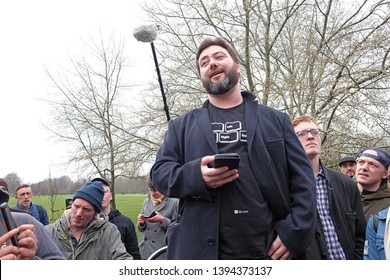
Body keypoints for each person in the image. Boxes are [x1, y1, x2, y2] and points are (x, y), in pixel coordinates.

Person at [150, 37, 316, 260]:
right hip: (199, 255)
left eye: (219, 56)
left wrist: (294, 233)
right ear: (201, 76)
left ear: (237, 65)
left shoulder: (277, 120)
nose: (212, 63)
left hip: (267, 251)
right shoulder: (181, 126)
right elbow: (160, 173)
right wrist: (196, 176)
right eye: (204, 62)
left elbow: (304, 181)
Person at [292, 115, 366, 259]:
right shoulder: (283, 186)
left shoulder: (347, 184)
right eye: (301, 133)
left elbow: (360, 234)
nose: (310, 136)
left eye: (314, 132)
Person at [45, 181, 132, 260]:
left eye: (86, 209)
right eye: (76, 206)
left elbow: (122, 259)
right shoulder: (48, 232)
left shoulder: (109, 232)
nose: (79, 213)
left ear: (94, 214)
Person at [0, 183, 65, 260]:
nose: (26, 197)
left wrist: (29, 259)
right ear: (16, 197)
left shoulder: (27, 220)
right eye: (22, 194)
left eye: (28, 194)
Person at [92, 177, 141, 260]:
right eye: (96, 192)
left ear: (111, 196)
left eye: (103, 192)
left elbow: (134, 255)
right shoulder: (85, 222)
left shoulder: (125, 223)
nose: (100, 195)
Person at [137, 178, 178, 260]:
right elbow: (141, 229)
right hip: (145, 250)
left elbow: (177, 229)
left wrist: (162, 220)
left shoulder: (174, 202)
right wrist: (142, 223)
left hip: (161, 252)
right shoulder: (146, 201)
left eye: (155, 190)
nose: (152, 193)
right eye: (150, 190)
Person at [356, 147, 390, 221]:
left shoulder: (388, 206)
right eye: (361, 162)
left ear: (385, 173)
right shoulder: (340, 196)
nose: (364, 168)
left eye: (373, 165)